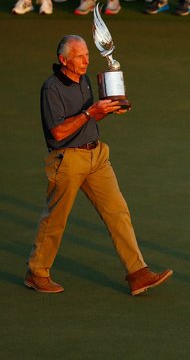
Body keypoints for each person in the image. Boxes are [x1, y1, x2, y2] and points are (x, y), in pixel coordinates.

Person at [25, 35, 173, 296]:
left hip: (97, 157)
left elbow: (89, 121)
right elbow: (58, 132)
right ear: (63, 60)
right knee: (56, 220)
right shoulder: (51, 88)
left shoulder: (83, 80)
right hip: (67, 160)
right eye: (80, 57)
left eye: (87, 55)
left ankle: (137, 273)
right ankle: (37, 273)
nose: (86, 61)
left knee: (118, 212)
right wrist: (90, 113)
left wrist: (108, 110)